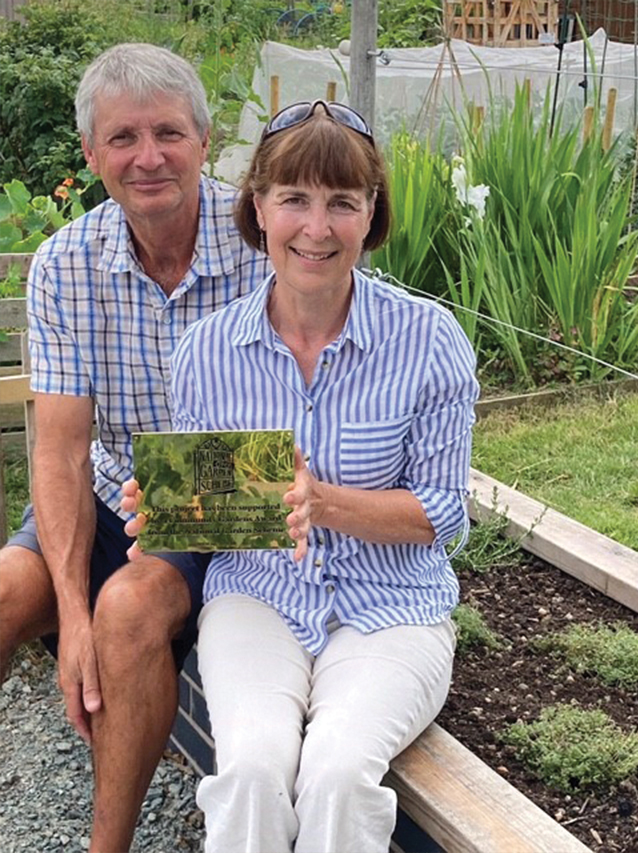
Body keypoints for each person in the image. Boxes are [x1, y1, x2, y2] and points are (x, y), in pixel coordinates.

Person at [124, 100, 479, 853]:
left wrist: (325, 503)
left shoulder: (428, 340)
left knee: (339, 775)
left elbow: (445, 510)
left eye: (342, 202)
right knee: (251, 770)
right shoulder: (208, 350)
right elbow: (212, 509)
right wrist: (164, 510)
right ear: (258, 207)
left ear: (371, 214)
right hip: (258, 597)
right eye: (294, 199)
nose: (316, 228)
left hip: (393, 606)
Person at [0, 43, 269, 852]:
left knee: (129, 606)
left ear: (205, 140)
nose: (148, 157)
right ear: (91, 154)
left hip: (236, 504)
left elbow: (309, 421)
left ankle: (105, 847)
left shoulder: (265, 242)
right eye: (122, 137)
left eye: (168, 133)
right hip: (118, 491)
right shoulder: (64, 264)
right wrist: (70, 620)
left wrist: (176, 505)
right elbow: (60, 454)